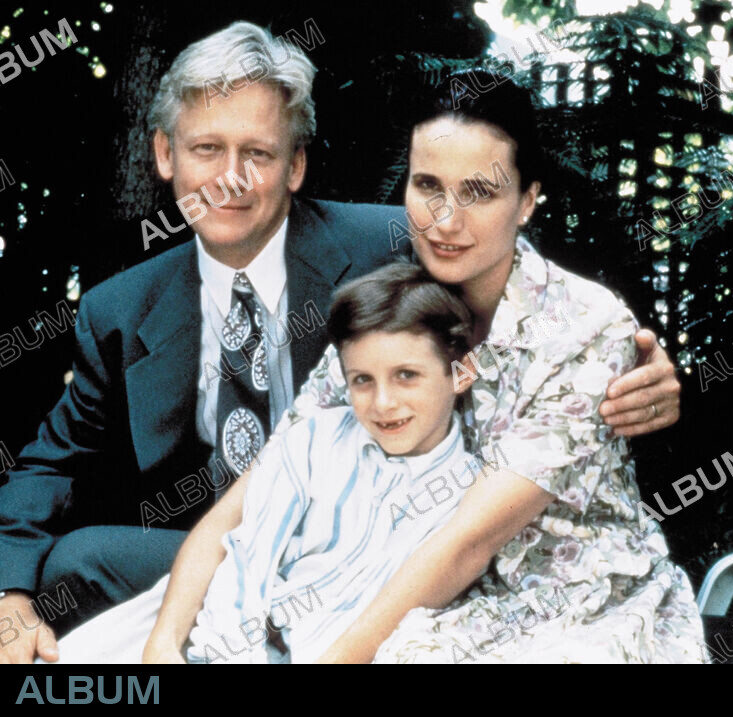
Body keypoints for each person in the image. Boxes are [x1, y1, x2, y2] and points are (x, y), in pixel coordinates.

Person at [0, 24, 679, 664]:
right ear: (165, 154)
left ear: (296, 165)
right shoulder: (131, 307)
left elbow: (531, 293)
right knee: (98, 604)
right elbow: (71, 466)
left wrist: (649, 372)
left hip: (490, 575)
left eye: (258, 153)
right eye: (207, 148)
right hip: (282, 552)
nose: (445, 218)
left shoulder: (432, 264)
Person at [47, 263, 488, 663]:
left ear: (461, 374)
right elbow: (246, 556)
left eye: (407, 376)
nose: (383, 403)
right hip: (229, 638)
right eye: (362, 381)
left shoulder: (472, 495)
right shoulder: (316, 439)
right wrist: (192, 649)